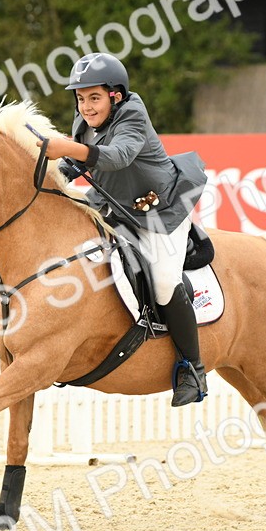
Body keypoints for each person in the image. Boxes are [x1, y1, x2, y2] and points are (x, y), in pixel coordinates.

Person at [36, 52, 209, 406]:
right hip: (114, 206)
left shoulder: (133, 113)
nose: (86, 106)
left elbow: (118, 156)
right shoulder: (85, 121)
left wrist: (68, 148)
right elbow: (76, 165)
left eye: (94, 98)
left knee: (164, 282)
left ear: (115, 95)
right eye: (81, 98)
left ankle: (193, 369)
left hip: (160, 211)